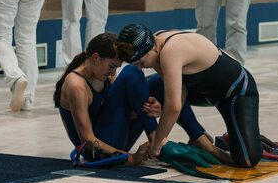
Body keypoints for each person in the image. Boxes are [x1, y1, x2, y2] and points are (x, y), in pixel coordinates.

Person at [54, 32, 220, 163]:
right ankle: (157, 139)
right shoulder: (76, 85)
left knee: (157, 82)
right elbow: (88, 141)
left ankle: (198, 137)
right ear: (95, 57)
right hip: (95, 152)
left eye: (116, 68)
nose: (113, 72)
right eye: (112, 66)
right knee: (132, 72)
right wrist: (129, 158)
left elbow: (122, 112)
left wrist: (150, 108)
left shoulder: (105, 74)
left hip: (111, 136)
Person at [117, 23, 262, 168]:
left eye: (141, 62)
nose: (141, 68)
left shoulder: (171, 51)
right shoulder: (155, 44)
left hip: (237, 92)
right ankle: (200, 139)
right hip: (203, 90)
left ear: (151, 49)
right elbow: (177, 94)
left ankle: (238, 137)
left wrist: (157, 144)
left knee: (247, 160)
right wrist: (160, 108)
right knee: (156, 84)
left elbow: (173, 107)